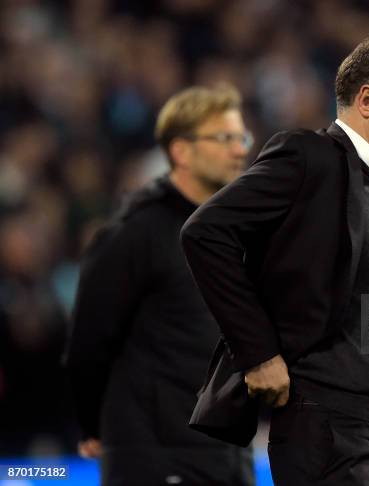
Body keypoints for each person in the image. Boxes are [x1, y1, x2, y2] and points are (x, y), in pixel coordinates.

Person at [181, 33, 369, 486]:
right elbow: (205, 232)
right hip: (330, 432)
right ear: (366, 100)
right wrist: (259, 355)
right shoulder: (309, 159)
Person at [65, 85, 255, 486]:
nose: (239, 150)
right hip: (155, 455)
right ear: (181, 151)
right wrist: (92, 425)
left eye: (241, 138)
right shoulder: (133, 235)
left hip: (227, 453)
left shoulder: (237, 232)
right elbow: (88, 342)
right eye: (224, 138)